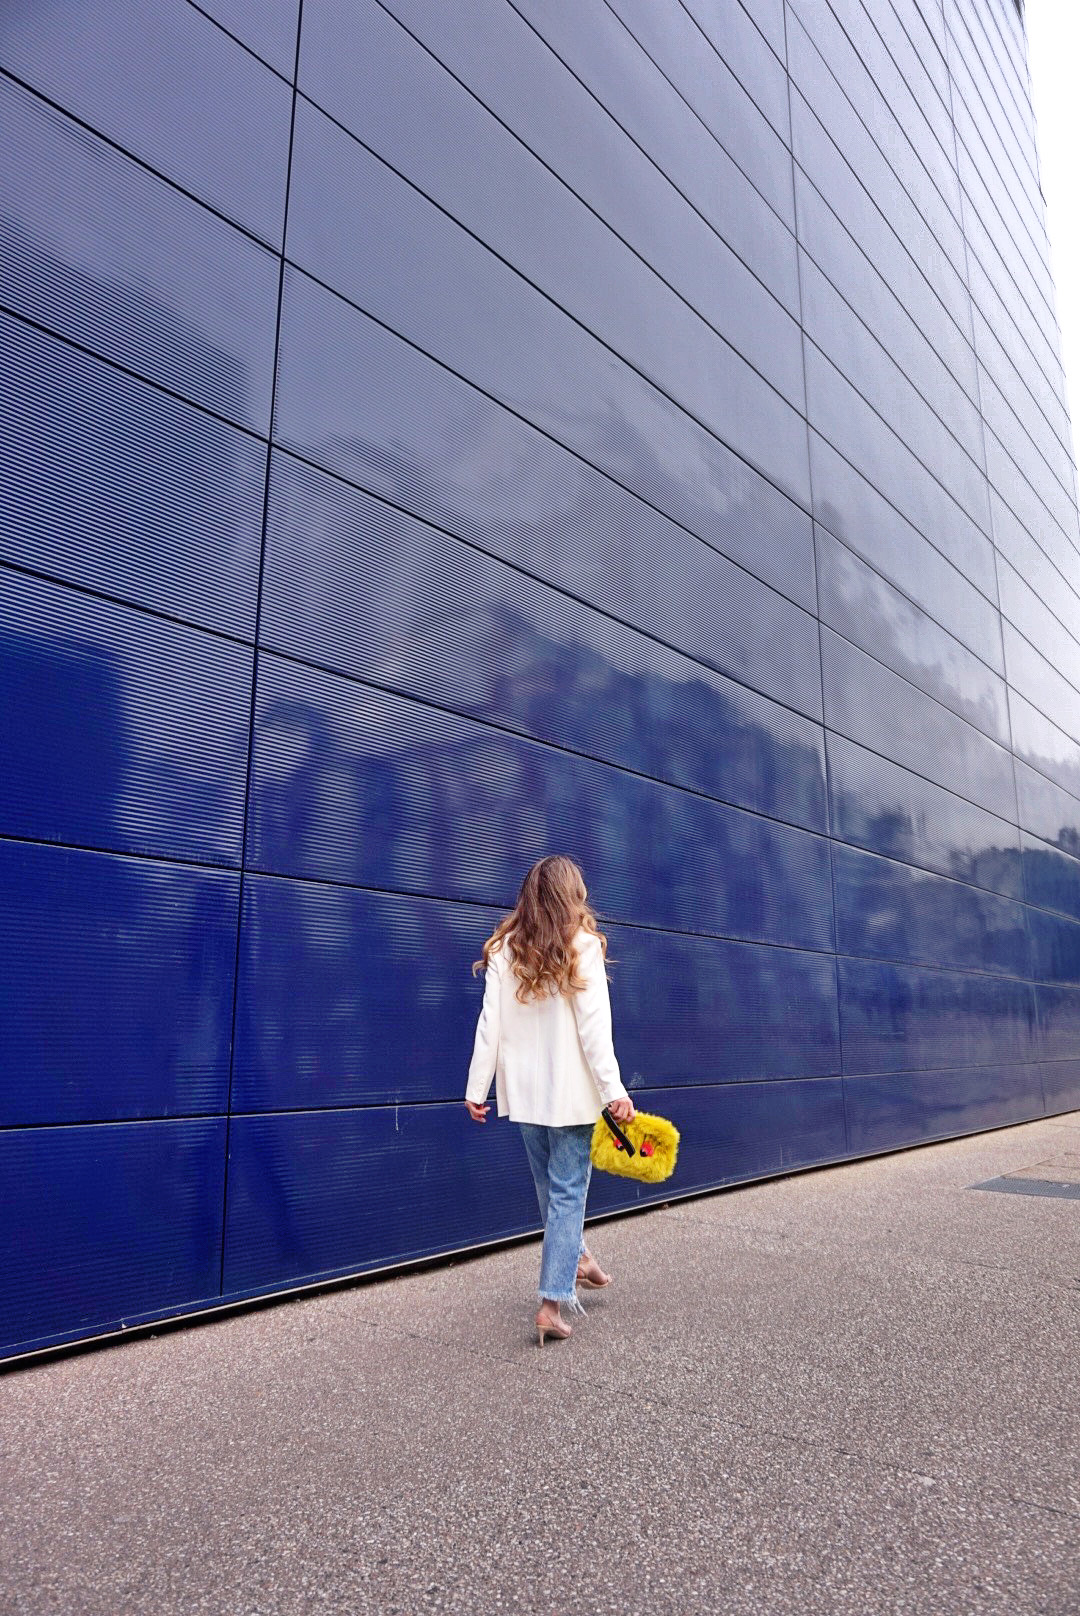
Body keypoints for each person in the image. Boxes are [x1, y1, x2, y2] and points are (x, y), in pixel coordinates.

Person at [464, 855, 635, 1345]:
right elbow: (594, 1028)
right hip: (573, 1096)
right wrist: (613, 1090)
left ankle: (578, 1258)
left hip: (524, 1097)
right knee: (565, 1193)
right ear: (572, 895)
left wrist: (478, 1090)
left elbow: (488, 1026)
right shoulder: (582, 945)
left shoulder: (504, 949)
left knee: (551, 1191)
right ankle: (550, 1302)